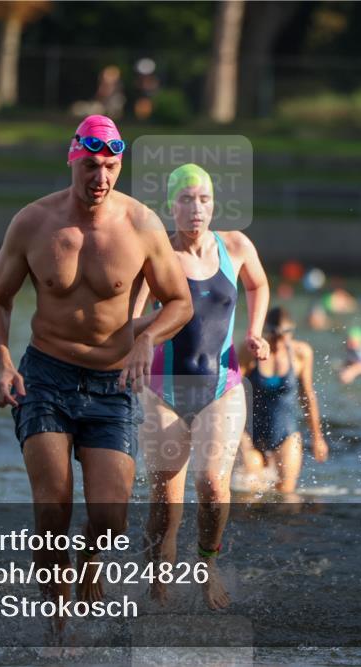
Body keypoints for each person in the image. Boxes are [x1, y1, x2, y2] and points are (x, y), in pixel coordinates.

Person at [0, 115, 192, 624]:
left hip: (113, 385)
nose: (101, 177)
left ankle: (91, 566)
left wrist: (146, 339)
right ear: (73, 160)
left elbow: (179, 302)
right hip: (45, 379)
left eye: (111, 166)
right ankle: (59, 631)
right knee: (52, 510)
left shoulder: (141, 225)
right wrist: (4, 363)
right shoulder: (33, 222)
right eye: (92, 165)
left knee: (109, 518)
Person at [132, 163, 270, 610]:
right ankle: (158, 587)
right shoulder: (155, 256)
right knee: (165, 503)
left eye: (204, 199)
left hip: (222, 385)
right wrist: (138, 340)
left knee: (212, 483)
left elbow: (259, 283)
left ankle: (206, 565)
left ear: (214, 204)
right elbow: (129, 321)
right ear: (170, 206)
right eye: (186, 199)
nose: (196, 209)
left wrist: (256, 331)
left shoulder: (235, 245)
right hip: (161, 390)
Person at [237, 307, 328, 495]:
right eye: (273, 336)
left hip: (286, 434)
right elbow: (233, 391)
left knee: (286, 495)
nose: (277, 342)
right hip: (250, 434)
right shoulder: (248, 352)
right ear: (265, 332)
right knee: (249, 495)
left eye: (282, 337)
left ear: (291, 333)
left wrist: (317, 437)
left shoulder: (301, 353)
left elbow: (307, 396)